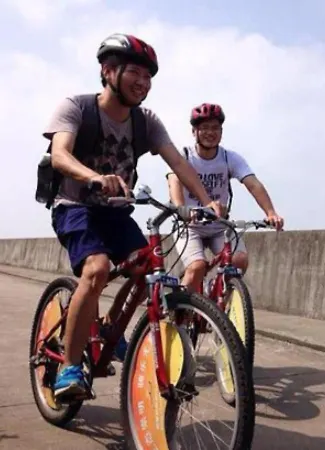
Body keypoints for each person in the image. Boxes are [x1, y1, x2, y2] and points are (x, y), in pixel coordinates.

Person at [44, 33, 225, 400]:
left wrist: (207, 202)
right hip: (75, 207)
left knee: (147, 267)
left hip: (115, 212)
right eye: (134, 73)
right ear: (108, 71)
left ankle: (110, 326)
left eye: (148, 76)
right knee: (96, 270)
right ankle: (69, 367)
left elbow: (179, 163)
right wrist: (94, 177)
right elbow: (60, 154)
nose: (143, 82)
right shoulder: (77, 107)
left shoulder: (146, 122)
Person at [166, 103, 284, 293]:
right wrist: (182, 209)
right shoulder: (185, 156)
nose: (210, 132)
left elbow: (253, 184)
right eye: (204, 128)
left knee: (239, 261)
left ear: (221, 131)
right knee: (197, 267)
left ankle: (216, 295)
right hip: (189, 225)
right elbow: (174, 181)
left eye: (215, 128)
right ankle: (178, 308)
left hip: (218, 225)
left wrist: (270, 212)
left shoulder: (229, 158)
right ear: (194, 132)